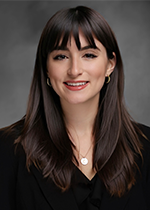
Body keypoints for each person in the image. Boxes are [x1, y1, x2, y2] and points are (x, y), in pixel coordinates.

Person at [0, 5, 150, 210]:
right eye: (61, 56)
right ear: (46, 67)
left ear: (110, 64)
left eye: (89, 55)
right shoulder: (7, 150)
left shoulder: (146, 148)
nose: (75, 70)